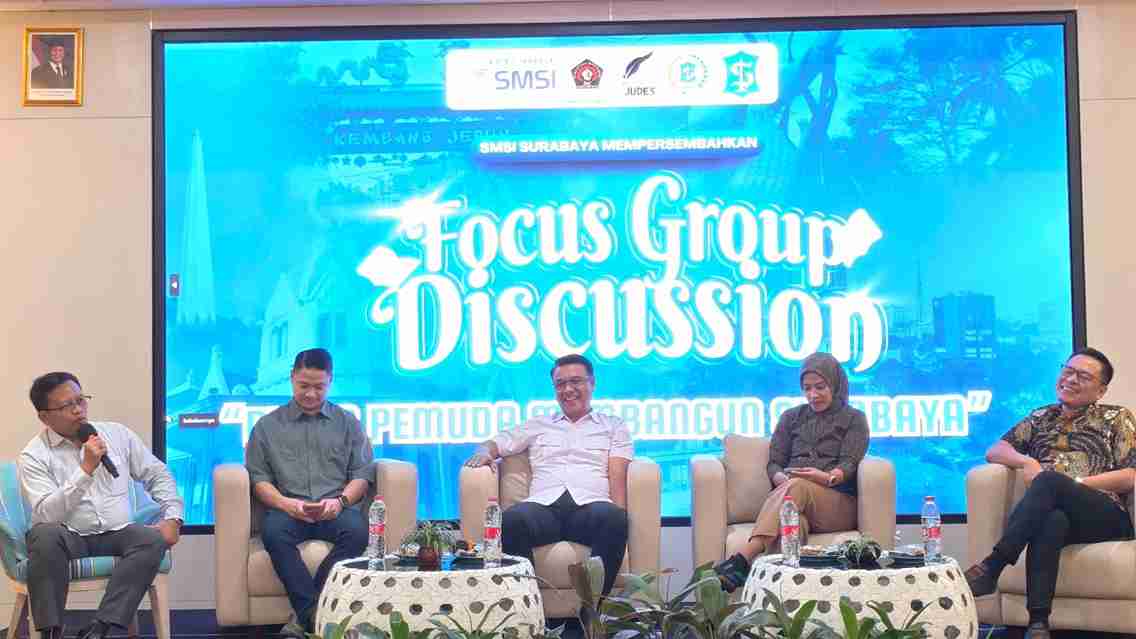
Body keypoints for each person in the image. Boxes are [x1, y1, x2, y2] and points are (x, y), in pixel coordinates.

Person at [964, 348, 1136, 639]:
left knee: (1049, 482)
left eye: (1083, 376)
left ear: (1101, 390)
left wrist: (1073, 485)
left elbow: (1130, 475)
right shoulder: (1041, 417)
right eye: (1068, 371)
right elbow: (995, 450)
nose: (1071, 379)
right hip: (1058, 513)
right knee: (1051, 520)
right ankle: (1038, 624)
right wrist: (1026, 462)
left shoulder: (1116, 417)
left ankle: (993, 566)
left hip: (1105, 514)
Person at [18, 372, 184, 639]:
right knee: (43, 536)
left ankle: (100, 628)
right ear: (44, 417)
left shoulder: (116, 434)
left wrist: (173, 517)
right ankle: (51, 631)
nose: (78, 410)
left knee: (151, 539)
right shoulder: (34, 455)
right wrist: (85, 469)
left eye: (81, 400)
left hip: (117, 532)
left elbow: (157, 474)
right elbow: (47, 514)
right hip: (67, 537)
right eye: (67, 405)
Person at [464, 353, 633, 596]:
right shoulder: (539, 424)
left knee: (615, 518)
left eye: (576, 381)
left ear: (592, 383)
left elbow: (618, 475)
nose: (568, 389)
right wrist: (483, 452)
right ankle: (529, 606)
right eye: (560, 384)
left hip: (590, 508)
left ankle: (592, 611)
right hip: (544, 509)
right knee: (510, 520)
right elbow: (498, 442)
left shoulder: (613, 426)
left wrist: (620, 520)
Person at [713, 352, 870, 592]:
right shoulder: (791, 418)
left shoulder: (854, 419)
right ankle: (780, 594)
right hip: (794, 498)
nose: (813, 395)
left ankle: (742, 559)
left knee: (797, 487)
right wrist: (782, 479)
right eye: (807, 388)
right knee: (793, 522)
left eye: (820, 387)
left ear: (835, 384)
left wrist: (825, 477)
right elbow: (774, 463)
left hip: (836, 504)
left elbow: (849, 463)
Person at [246, 348, 373, 638]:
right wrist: (285, 503)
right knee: (273, 532)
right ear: (292, 378)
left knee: (357, 532)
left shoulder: (348, 423)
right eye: (304, 386)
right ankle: (315, 615)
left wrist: (340, 502)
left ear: (330, 381)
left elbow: (362, 475)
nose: (311, 394)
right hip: (288, 509)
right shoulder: (267, 426)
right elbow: (258, 479)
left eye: (319, 387)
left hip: (335, 508)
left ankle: (305, 616)